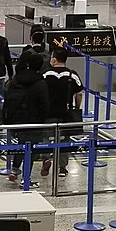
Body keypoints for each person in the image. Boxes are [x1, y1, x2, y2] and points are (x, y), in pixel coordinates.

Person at [2, 53, 49, 188]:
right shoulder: (40, 83)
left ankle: (15, 170)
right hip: (34, 121)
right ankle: (25, 179)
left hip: (16, 119)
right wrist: (42, 120)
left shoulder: (16, 79)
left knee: (21, 145)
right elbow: (44, 105)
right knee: (31, 150)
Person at [43, 48, 84, 178]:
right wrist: (76, 107)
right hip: (65, 113)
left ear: (54, 59)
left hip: (48, 112)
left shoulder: (46, 74)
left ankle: (46, 159)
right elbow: (79, 93)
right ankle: (62, 167)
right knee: (64, 139)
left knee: (47, 137)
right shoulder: (72, 75)